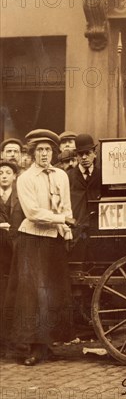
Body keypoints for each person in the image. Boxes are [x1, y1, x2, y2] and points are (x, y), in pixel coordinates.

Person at [2, 129, 76, 366]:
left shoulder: (61, 175)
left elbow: (66, 208)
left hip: (53, 240)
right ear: (33, 153)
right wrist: (62, 221)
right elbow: (33, 213)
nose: (44, 154)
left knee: (53, 292)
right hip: (32, 240)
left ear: (54, 152)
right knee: (32, 294)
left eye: (48, 150)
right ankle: (32, 347)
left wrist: (67, 230)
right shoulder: (25, 178)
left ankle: (47, 344)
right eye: (40, 150)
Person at [0, 160, 24, 357]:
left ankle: (13, 339)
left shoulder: (19, 197)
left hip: (15, 248)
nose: (4, 176)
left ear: (14, 176)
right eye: (1, 173)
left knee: (13, 292)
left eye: (8, 172)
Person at [67, 134, 101, 264]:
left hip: (97, 230)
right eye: (81, 154)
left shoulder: (102, 175)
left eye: (88, 153)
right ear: (76, 156)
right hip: (76, 230)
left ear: (94, 153)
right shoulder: (68, 176)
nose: (84, 157)